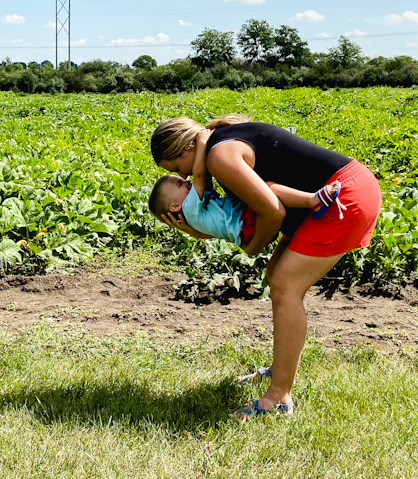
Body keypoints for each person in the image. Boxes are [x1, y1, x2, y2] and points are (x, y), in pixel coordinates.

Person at [150, 115, 381, 422]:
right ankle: (281, 368)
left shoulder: (219, 156)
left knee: (286, 287)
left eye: (178, 170)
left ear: (184, 151)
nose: (186, 177)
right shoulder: (221, 142)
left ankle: (278, 397)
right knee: (277, 278)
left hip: (343, 195)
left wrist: (251, 248)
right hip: (342, 188)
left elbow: (273, 211)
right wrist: (197, 230)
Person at [148, 129, 343, 248]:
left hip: (244, 229)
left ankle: (310, 202)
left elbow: (204, 179)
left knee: (267, 190)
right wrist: (202, 143)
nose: (186, 179)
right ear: (174, 206)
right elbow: (200, 176)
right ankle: (312, 200)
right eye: (180, 183)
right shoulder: (190, 209)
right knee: (268, 188)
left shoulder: (194, 212)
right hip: (246, 225)